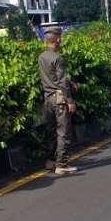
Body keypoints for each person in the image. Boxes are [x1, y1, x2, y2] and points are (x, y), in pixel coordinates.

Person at [38, 26, 78, 175]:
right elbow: (60, 82)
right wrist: (70, 101)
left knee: (50, 131)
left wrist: (70, 81)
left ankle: (50, 161)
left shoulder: (42, 56)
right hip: (60, 98)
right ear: (58, 39)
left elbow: (52, 77)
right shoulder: (58, 58)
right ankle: (62, 164)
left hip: (47, 98)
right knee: (63, 133)